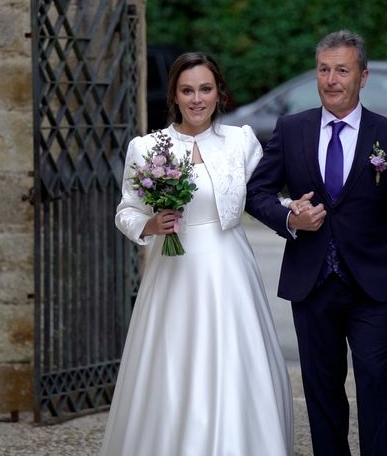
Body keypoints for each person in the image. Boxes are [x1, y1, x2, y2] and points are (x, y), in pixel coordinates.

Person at [246, 30, 387, 456]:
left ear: (363, 76)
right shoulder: (291, 129)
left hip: (370, 285)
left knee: (372, 378)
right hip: (310, 284)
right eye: (324, 69)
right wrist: (290, 218)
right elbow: (256, 193)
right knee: (321, 386)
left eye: (342, 70)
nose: (331, 79)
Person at [99, 52, 293, 455]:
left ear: (219, 92)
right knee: (174, 365)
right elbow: (127, 210)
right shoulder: (149, 146)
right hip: (174, 272)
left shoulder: (240, 141)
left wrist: (296, 211)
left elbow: (265, 197)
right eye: (187, 90)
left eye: (205, 89)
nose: (197, 99)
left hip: (230, 270)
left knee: (235, 363)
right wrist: (151, 226)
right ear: (174, 94)